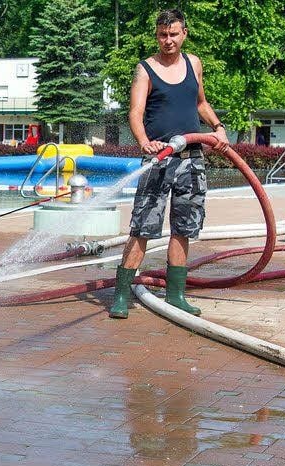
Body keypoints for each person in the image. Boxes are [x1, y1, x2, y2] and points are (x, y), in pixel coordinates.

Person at [109, 8, 229, 319]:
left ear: (184, 34)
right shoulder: (145, 69)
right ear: (157, 36)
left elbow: (201, 103)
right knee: (143, 228)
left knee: (183, 228)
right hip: (158, 159)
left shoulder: (194, 64)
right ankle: (121, 295)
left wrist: (217, 127)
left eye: (173, 34)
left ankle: (176, 295)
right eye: (163, 35)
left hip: (191, 159)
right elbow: (135, 113)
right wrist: (144, 142)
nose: (168, 40)